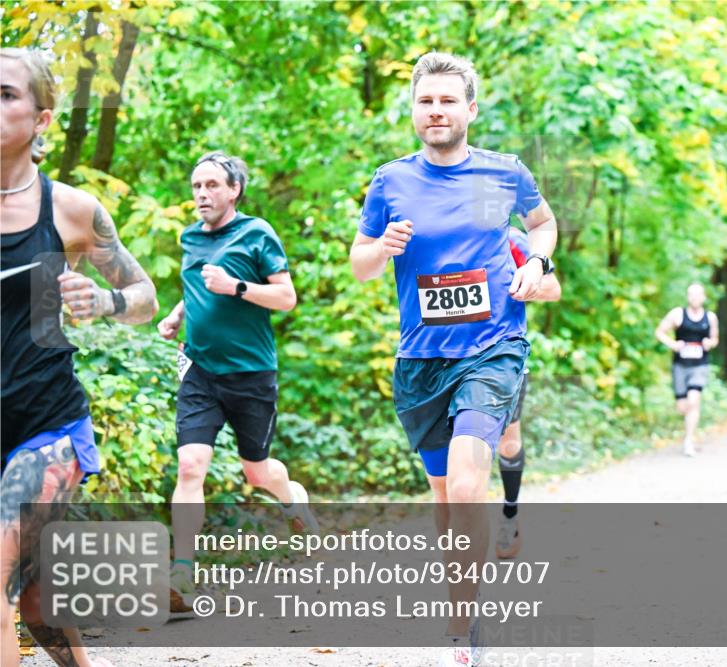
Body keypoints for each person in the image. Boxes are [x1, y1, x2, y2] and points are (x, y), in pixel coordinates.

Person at [349, 52, 557, 667]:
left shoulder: (504, 172)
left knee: (468, 483)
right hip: (421, 358)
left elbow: (542, 226)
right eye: (424, 101)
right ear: (413, 110)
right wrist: (380, 248)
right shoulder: (390, 180)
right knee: (444, 496)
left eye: (446, 101)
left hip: (493, 347)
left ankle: (467, 634)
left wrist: (538, 264)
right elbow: (360, 264)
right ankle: (460, 606)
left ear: (470, 108)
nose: (434, 111)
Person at [1, 48, 158, 667]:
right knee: (37, 603)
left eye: (5, 94)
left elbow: (145, 297)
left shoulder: (69, 209)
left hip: (46, 423)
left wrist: (104, 297)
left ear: (41, 120)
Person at [157, 151, 318, 614]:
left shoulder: (257, 234)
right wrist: (176, 314)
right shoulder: (189, 237)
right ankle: (182, 573)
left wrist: (237, 287)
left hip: (251, 373)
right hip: (200, 370)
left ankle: (293, 503)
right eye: (196, 187)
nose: (202, 194)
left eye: (211, 185)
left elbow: (286, 297)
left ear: (234, 190)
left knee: (257, 472)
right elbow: (194, 289)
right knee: (190, 466)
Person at [495, 226, 561, 560]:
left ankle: (509, 516)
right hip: (444, 358)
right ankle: (462, 532)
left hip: (503, 356)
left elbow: (553, 287)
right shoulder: (438, 228)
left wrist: (521, 285)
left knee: (508, 440)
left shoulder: (511, 238)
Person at [654, 283, 720, 457]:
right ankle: (687, 430)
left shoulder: (710, 317)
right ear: (687, 297)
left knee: (694, 400)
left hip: (700, 365)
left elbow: (714, 339)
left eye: (698, 295)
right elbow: (660, 332)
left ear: (704, 297)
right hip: (680, 365)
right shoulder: (677, 314)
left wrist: (709, 343)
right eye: (691, 294)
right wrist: (673, 344)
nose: (695, 298)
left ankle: (688, 440)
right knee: (683, 407)